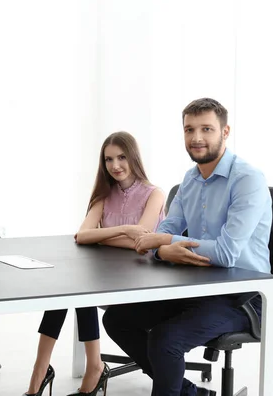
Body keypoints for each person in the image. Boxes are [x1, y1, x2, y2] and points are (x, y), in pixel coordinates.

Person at [103, 98, 271, 396]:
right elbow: (155, 238)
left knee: (166, 340)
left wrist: (166, 242)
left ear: (225, 131)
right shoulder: (190, 180)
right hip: (195, 288)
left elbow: (225, 253)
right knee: (117, 319)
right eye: (189, 129)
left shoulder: (248, 180)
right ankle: (190, 392)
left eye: (207, 129)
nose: (196, 138)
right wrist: (161, 247)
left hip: (243, 296)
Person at [24, 131, 165, 396]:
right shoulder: (104, 194)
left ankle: (86, 368)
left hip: (145, 278)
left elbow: (143, 240)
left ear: (134, 156)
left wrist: (102, 238)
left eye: (122, 157)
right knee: (67, 286)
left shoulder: (154, 194)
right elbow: (82, 236)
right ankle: (43, 369)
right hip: (109, 275)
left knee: (80, 287)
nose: (115, 166)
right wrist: (123, 230)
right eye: (109, 159)